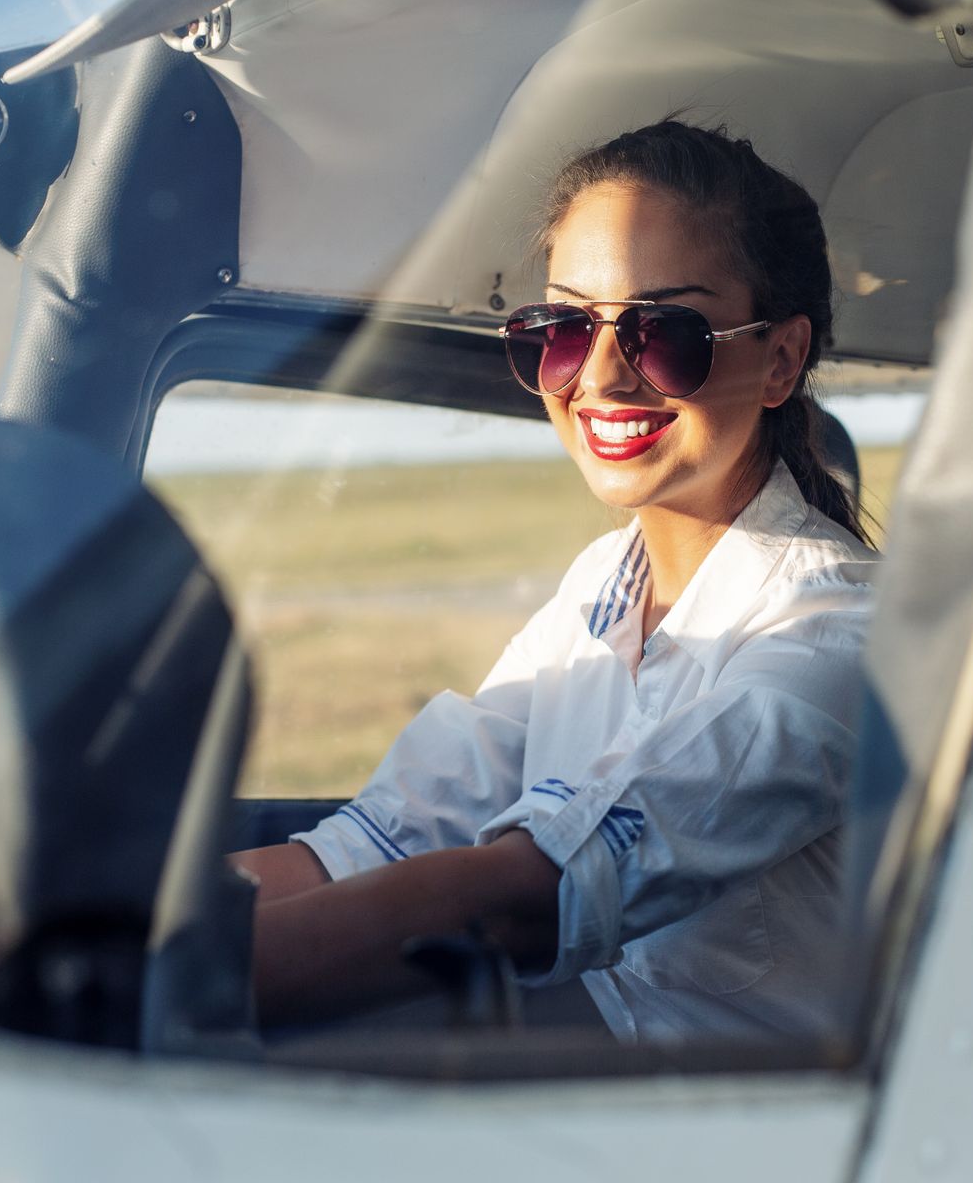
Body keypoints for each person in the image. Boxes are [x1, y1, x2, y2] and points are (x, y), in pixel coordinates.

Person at [234, 120, 877, 1043]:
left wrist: (150, 986)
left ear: (779, 359)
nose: (602, 378)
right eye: (563, 329)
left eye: (665, 333)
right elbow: (374, 847)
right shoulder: (598, 591)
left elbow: (539, 891)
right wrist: (74, 928)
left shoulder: (838, 633)